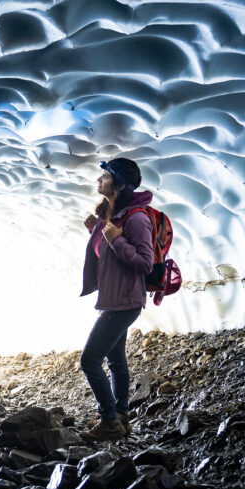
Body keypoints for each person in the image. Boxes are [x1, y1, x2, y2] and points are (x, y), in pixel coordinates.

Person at [78, 157, 155, 441]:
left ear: (120, 184)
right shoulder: (112, 215)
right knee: (116, 360)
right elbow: (110, 253)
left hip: (124, 303)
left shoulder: (136, 219)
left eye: (106, 176)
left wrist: (116, 239)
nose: (99, 180)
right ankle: (121, 417)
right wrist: (96, 231)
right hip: (115, 299)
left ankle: (109, 421)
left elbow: (145, 263)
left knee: (89, 361)